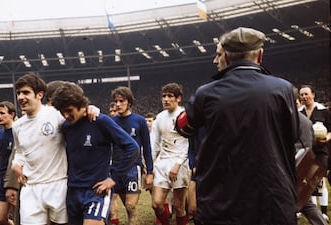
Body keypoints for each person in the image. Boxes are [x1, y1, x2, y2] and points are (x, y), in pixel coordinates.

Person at [175, 27, 299, 224]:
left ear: (227, 58)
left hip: (221, 203)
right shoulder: (284, 89)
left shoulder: (205, 94)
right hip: (273, 200)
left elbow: (183, 127)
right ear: (260, 55)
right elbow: (293, 134)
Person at [50, 81, 139, 225]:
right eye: (62, 112)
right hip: (72, 191)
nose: (65, 115)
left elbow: (132, 148)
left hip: (96, 191)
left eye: (69, 110)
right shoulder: (65, 127)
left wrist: (113, 178)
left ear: (81, 105)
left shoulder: (100, 121)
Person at [11, 74, 69, 225]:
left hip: (58, 185)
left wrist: (91, 108)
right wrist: (16, 164)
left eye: (25, 92)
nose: (20, 97)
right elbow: (20, 151)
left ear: (39, 95)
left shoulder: (56, 115)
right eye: (18, 93)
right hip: (31, 188)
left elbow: (79, 121)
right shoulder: (17, 126)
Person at [110, 86, 154, 225]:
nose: (118, 104)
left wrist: (150, 172)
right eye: (116, 101)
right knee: (125, 208)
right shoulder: (111, 122)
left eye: (121, 101)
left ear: (129, 102)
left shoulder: (139, 120)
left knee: (131, 206)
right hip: (116, 168)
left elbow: (146, 147)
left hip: (133, 168)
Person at [150, 82, 190, 225]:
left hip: (179, 164)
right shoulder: (159, 117)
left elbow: (188, 143)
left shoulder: (184, 116)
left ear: (178, 98)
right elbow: (153, 143)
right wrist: (151, 166)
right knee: (156, 203)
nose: (166, 99)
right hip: (162, 162)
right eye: (164, 96)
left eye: (170, 96)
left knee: (179, 206)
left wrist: (178, 164)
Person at [293, 87, 328, 225]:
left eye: (306, 93)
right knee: (306, 194)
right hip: (306, 156)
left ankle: (323, 213)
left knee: (317, 184)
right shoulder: (301, 116)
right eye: (302, 94)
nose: (304, 96)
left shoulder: (322, 110)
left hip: (304, 157)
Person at [0, 101, 16, 225]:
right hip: (0, 181)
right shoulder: (0, 134)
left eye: (2, 113)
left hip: (14, 181)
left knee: (20, 218)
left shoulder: (18, 132)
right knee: (0, 219)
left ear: (12, 114)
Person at [108, 101, 120, 225]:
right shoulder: (106, 126)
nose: (112, 113)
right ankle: (114, 220)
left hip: (125, 167)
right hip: (110, 166)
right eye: (111, 111)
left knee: (130, 204)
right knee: (113, 197)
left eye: (114, 111)